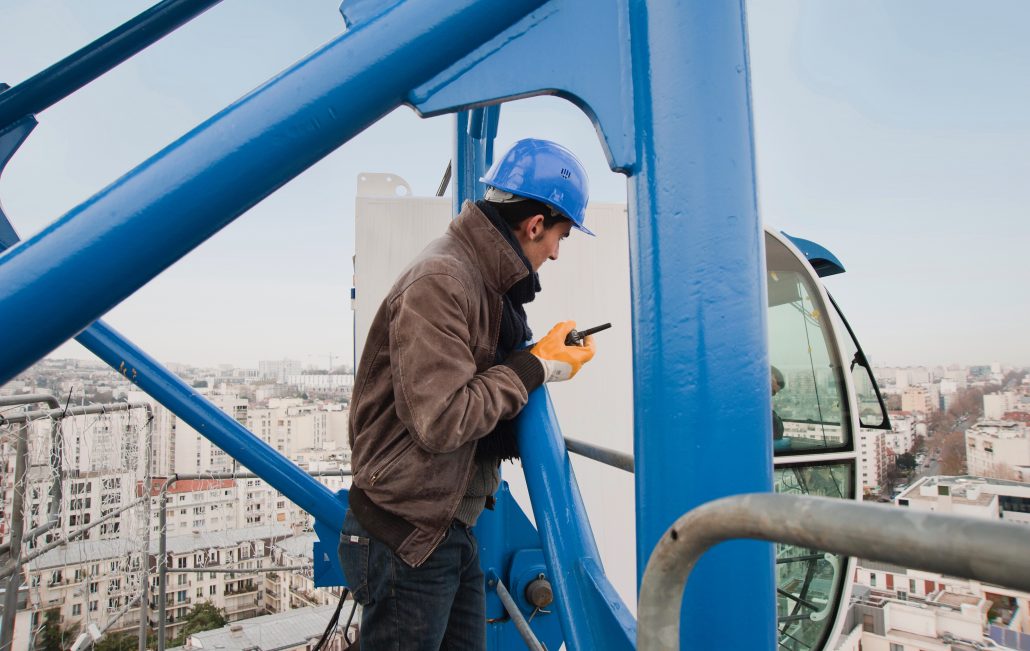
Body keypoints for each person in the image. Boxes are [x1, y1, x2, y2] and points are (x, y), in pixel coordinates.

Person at [340, 138, 597, 650]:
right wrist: (537, 365)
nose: (556, 252)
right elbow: (443, 419)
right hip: (408, 532)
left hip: (445, 521)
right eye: (559, 236)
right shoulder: (443, 280)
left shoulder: (481, 284)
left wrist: (539, 362)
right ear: (535, 223)